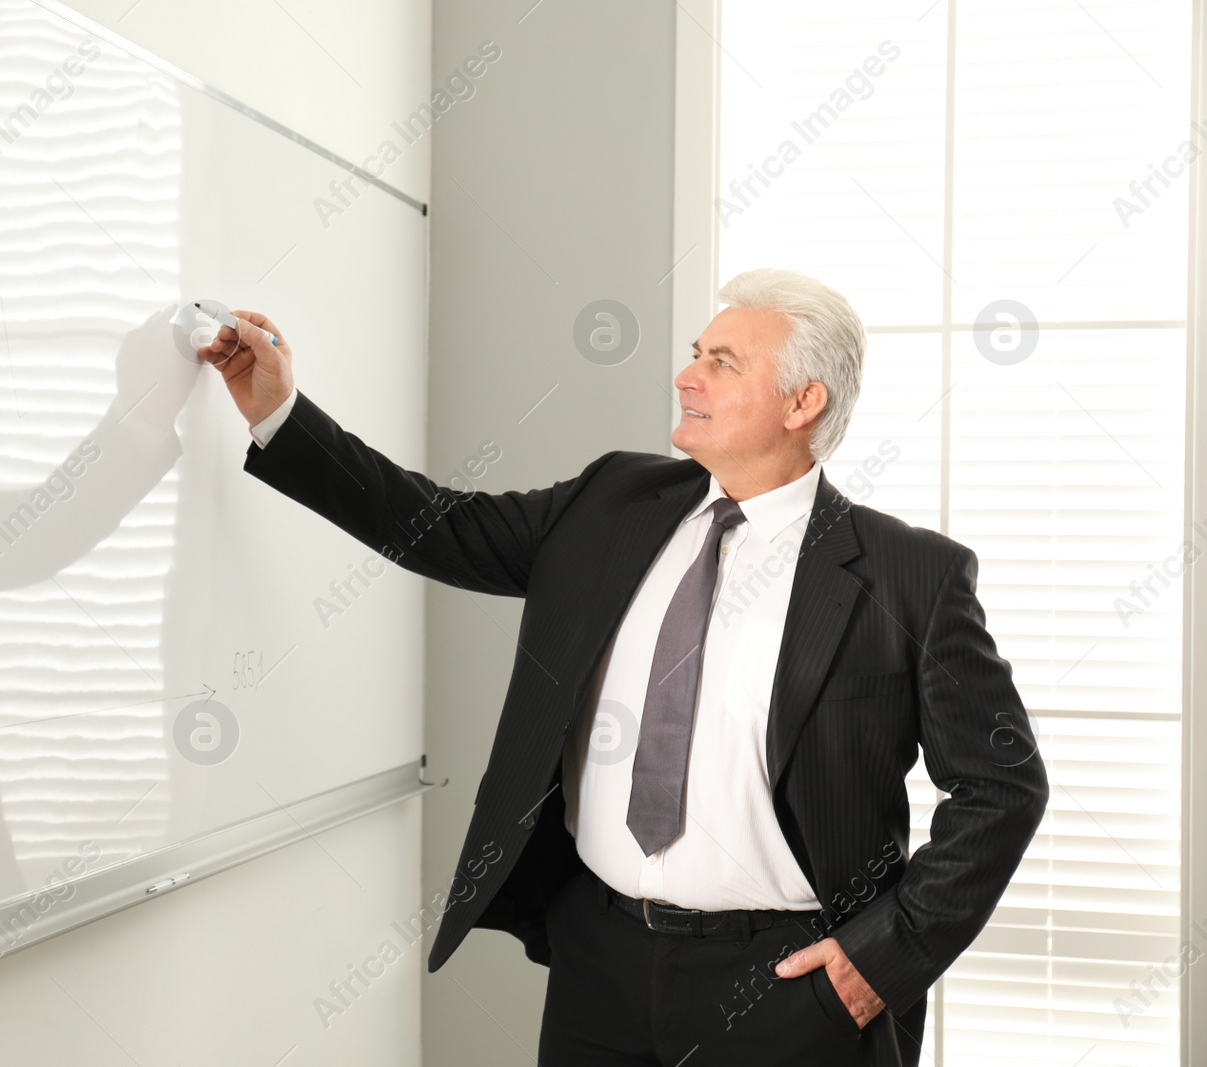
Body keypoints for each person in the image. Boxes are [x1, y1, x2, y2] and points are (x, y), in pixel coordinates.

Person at [198, 269, 1048, 1066]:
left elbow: (1003, 786)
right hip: (599, 959)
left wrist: (883, 957)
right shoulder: (614, 500)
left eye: (722, 362)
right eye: (694, 355)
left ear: (803, 401)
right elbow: (438, 524)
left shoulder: (910, 575)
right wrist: (280, 413)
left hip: (791, 986)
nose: (688, 377)